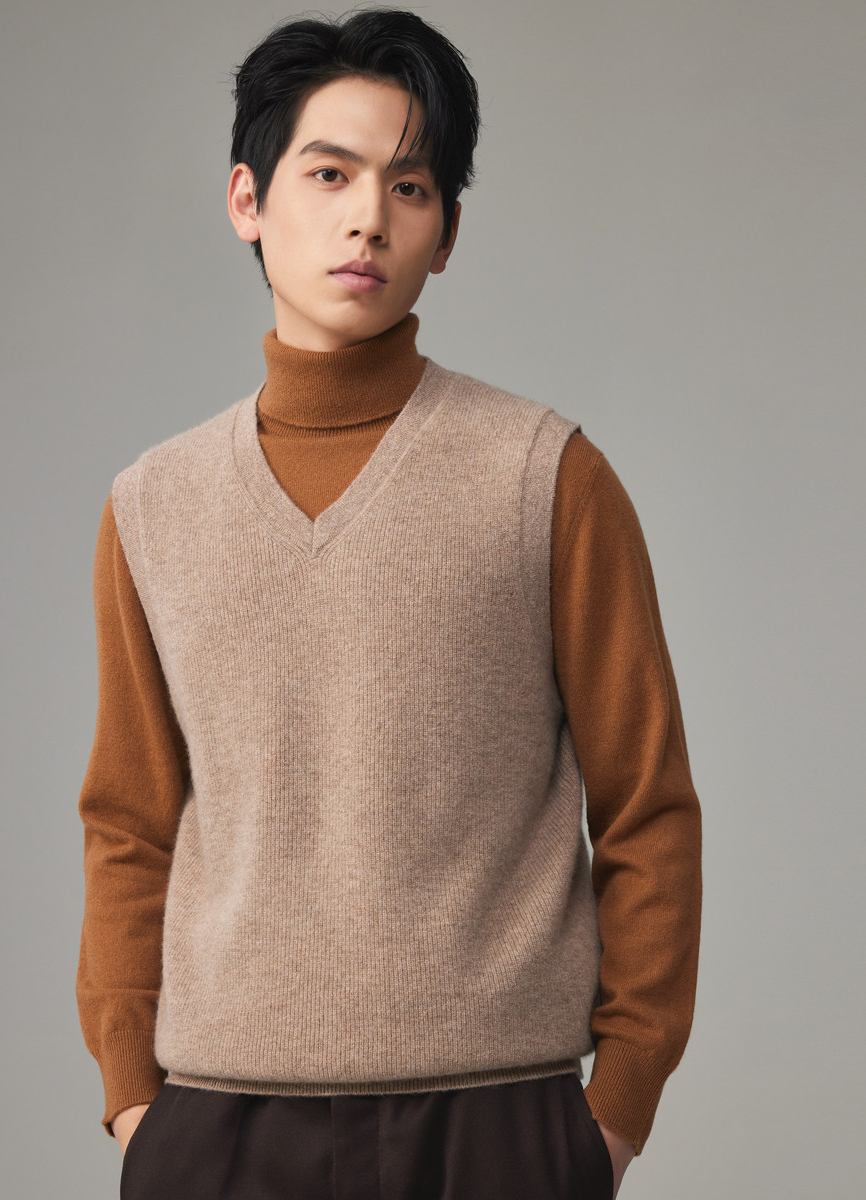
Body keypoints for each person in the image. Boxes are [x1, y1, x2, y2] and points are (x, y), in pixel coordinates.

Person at [76, 9, 702, 1199]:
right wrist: (134, 1108)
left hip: (499, 1127)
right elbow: (128, 823)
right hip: (215, 1131)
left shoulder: (547, 477)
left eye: (410, 187)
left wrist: (614, 1112)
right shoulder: (153, 505)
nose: (369, 217)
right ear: (247, 199)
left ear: (446, 233)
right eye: (330, 174)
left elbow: (649, 807)